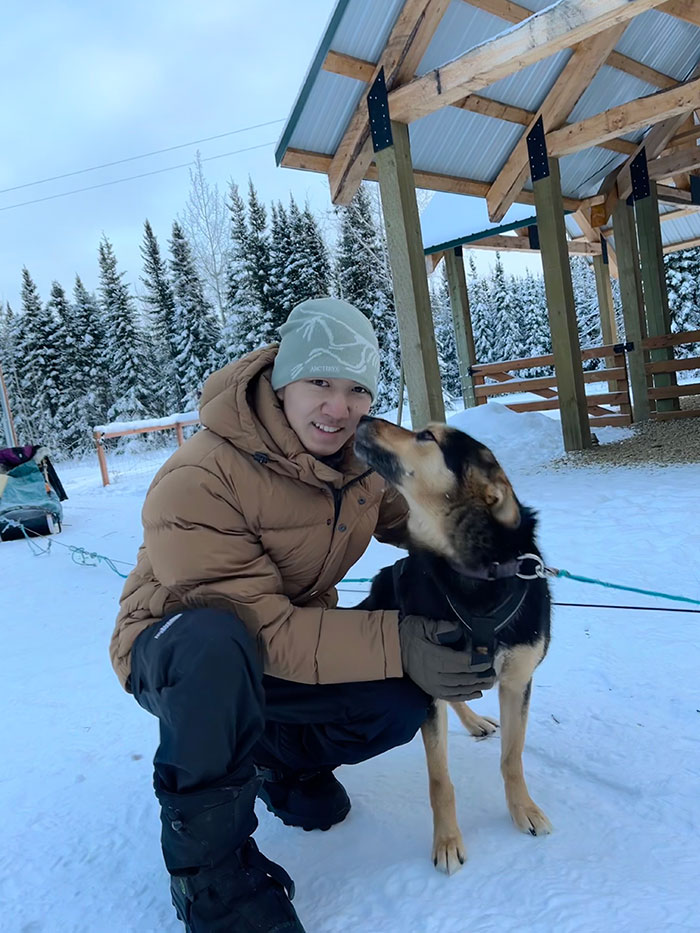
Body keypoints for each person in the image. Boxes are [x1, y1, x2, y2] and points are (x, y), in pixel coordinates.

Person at [110, 297, 495, 933]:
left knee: (399, 701)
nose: (338, 407)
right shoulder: (200, 477)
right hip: (178, 652)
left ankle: (280, 763)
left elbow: (416, 522)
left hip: (282, 646)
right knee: (217, 644)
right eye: (320, 382)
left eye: (356, 389)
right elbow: (259, 625)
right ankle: (208, 878)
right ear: (282, 381)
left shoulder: (359, 464)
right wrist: (401, 638)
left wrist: (486, 546)